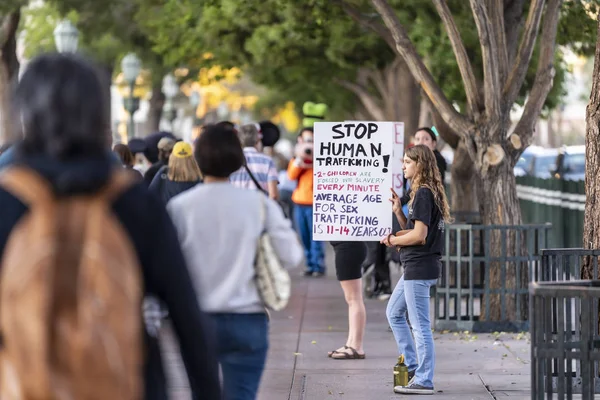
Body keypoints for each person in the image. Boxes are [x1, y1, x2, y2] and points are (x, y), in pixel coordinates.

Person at [0, 52, 220, 400]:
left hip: (23, 382)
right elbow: (187, 315)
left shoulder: (6, 201)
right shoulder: (133, 201)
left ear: (26, 112)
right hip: (127, 382)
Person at [167, 124, 303, 400]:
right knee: (242, 394)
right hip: (248, 318)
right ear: (238, 159)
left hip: (197, 320)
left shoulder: (180, 208)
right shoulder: (260, 204)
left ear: (198, 160)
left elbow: (166, 268)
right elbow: (292, 255)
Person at [381, 144, 452, 395]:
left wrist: (392, 240)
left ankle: (424, 379)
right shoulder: (422, 193)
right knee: (394, 313)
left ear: (420, 164)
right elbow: (414, 229)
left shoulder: (423, 193)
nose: (403, 166)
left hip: (419, 267)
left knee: (420, 326)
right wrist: (399, 213)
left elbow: (420, 236)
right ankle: (412, 366)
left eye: (408, 162)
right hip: (416, 267)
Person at [288, 127, 325, 276]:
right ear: (300, 141)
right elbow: (291, 175)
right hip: (300, 202)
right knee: (304, 236)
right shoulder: (296, 160)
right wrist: (300, 158)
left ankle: (318, 265)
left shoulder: (323, 159)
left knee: (316, 237)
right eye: (307, 140)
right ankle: (310, 264)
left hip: (316, 202)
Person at [327, 241, 368, 360]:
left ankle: (356, 346)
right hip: (347, 248)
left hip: (347, 248)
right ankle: (351, 343)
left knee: (354, 299)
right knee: (352, 299)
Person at [229, 124, 279, 199]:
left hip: (237, 207)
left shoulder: (231, 161)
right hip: (260, 208)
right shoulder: (268, 161)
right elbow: (273, 195)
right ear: (257, 139)